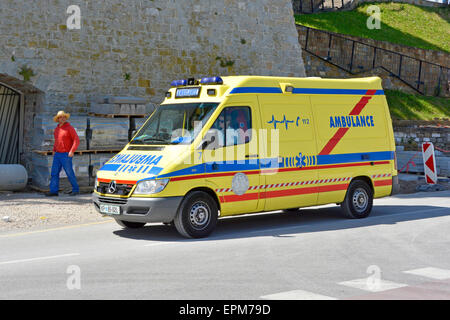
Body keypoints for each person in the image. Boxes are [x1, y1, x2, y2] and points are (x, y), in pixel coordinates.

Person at [45, 110, 80, 196]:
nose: (63, 118)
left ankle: (76, 190)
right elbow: (57, 141)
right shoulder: (57, 129)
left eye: (64, 117)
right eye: (60, 117)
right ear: (58, 119)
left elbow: (76, 140)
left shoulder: (70, 128)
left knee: (69, 173)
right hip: (57, 154)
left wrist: (72, 151)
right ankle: (54, 191)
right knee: (54, 173)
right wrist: (54, 149)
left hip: (66, 154)